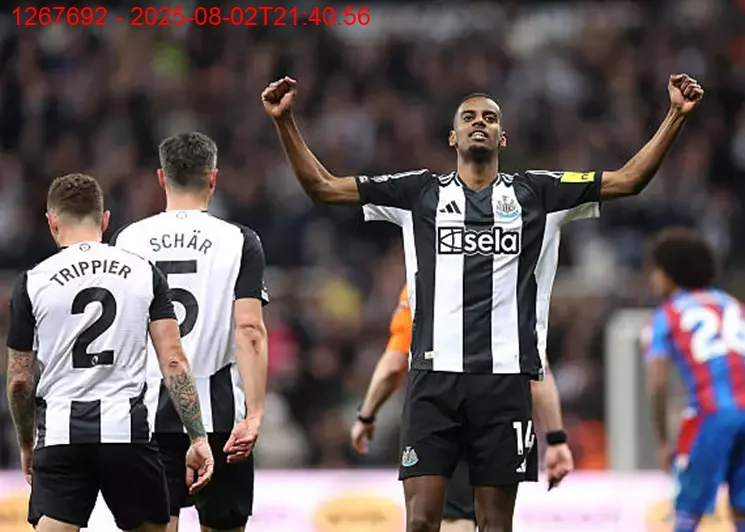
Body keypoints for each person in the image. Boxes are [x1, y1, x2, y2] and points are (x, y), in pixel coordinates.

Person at [262, 73, 703, 532]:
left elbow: (630, 180)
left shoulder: (539, 193)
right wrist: (285, 121)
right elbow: (322, 187)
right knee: (421, 521)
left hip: (504, 382)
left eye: (489, 118)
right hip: (433, 380)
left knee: (494, 524)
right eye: (469, 117)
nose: (479, 122)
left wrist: (675, 115)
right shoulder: (418, 193)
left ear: (502, 137)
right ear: (452, 137)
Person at [351, 203, 594, 531]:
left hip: (442, 409)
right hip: (498, 409)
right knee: (487, 519)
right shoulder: (508, 291)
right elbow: (539, 372)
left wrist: (366, 415)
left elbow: (395, 363)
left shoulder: (424, 290)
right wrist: (555, 438)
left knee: (449, 517)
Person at [5, 174, 214, 532]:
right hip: (127, 435)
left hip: (61, 436)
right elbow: (173, 361)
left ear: (52, 222)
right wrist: (197, 437)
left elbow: (20, 381)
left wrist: (27, 442)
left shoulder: (32, 282)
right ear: (104, 220)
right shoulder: (144, 273)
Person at [111, 133, 269, 532]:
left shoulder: (127, 240)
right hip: (221, 416)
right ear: (213, 178)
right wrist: (254, 414)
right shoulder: (239, 241)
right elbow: (249, 329)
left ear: (161, 178)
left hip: (146, 414)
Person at [642, 228, 745, 532]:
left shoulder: (666, 314)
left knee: (688, 509)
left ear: (669, 274)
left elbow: (658, 383)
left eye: (655, 270)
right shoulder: (734, 306)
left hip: (711, 414)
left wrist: (663, 441)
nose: (651, 278)